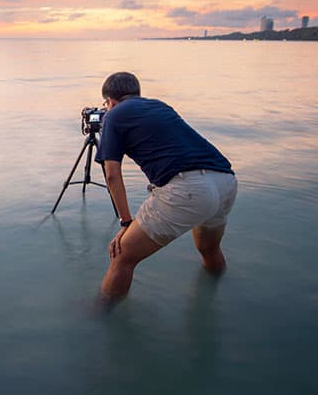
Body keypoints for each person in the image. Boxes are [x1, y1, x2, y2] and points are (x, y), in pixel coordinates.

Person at [94, 71, 237, 310]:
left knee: (122, 255)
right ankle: (218, 296)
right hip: (225, 181)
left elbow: (112, 174)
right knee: (209, 249)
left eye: (106, 105)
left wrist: (126, 223)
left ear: (111, 102)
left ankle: (100, 315)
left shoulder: (114, 115)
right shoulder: (160, 106)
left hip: (189, 190)